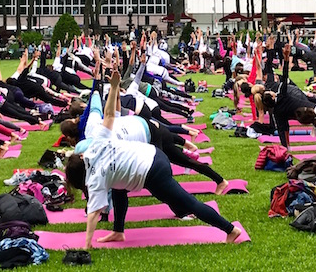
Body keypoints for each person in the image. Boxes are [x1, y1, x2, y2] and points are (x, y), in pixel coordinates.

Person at [65, 67, 242, 249]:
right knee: (118, 189)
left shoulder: (94, 181)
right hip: (152, 154)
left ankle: (230, 230)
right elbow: (109, 114)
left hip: (152, 170)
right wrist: (114, 88)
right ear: (81, 156)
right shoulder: (97, 144)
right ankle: (118, 231)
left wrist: (87, 245)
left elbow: (94, 213)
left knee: (189, 203)